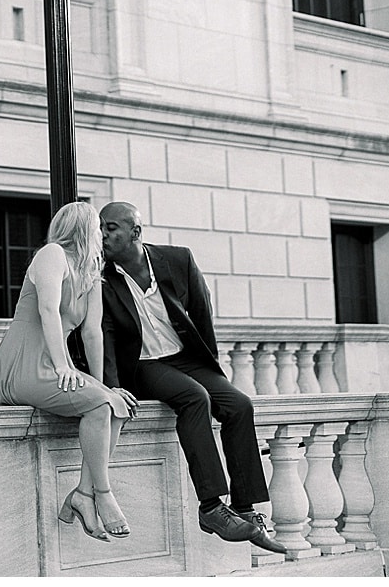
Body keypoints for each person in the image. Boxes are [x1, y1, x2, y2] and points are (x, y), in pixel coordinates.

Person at [97, 201, 284, 554]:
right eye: (101, 228)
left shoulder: (178, 260)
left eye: (110, 228)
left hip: (187, 358)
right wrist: (112, 384)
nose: (103, 235)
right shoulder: (103, 277)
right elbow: (103, 332)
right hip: (143, 366)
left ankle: (245, 509)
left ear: (135, 232)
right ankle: (212, 507)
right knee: (194, 398)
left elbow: (201, 313)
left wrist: (213, 367)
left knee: (239, 405)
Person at [0, 201, 138, 542]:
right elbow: (48, 310)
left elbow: (92, 332)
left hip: (56, 364)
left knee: (114, 406)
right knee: (101, 405)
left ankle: (83, 495)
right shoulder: (52, 254)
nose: (102, 235)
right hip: (24, 362)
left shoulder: (90, 273)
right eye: (97, 227)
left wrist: (102, 386)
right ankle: (101, 494)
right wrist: (62, 366)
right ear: (81, 228)